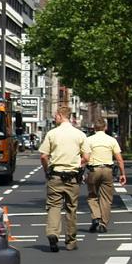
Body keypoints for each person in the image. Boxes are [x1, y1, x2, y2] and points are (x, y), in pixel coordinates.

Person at [39, 106, 88, 252]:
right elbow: (86, 157)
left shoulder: (52, 134)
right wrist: (78, 166)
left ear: (61, 116)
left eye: (55, 116)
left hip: (55, 175)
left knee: (54, 206)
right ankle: (71, 241)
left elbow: (43, 155)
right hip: (73, 177)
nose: (55, 118)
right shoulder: (80, 135)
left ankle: (53, 233)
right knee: (71, 208)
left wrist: (47, 170)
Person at [83, 117, 126, 233]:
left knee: (92, 195)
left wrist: (81, 171)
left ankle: (96, 216)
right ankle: (103, 223)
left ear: (94, 128)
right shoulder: (111, 140)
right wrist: (122, 174)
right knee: (106, 198)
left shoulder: (89, 140)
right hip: (108, 170)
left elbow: (85, 158)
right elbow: (120, 160)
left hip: (93, 170)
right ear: (106, 127)